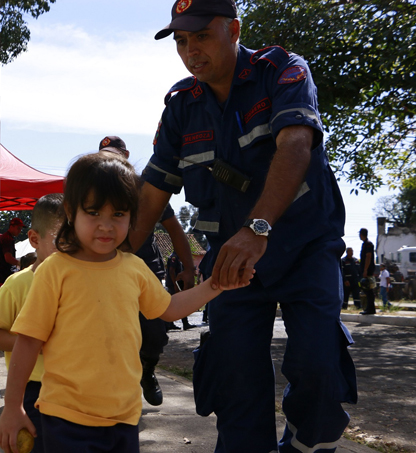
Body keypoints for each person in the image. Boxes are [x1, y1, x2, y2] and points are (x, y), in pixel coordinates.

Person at [130, 0, 358, 450]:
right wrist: (108, 263)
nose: (190, 50)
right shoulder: (180, 106)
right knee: (233, 375)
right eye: (181, 40)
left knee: (318, 363)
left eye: (201, 36)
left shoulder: (283, 72)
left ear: (234, 29)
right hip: (230, 264)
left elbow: (295, 146)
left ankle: (305, 442)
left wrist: (257, 229)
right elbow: (153, 193)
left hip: (304, 248)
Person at [0, 153, 250, 453]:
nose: (106, 225)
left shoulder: (133, 268)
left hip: (124, 417)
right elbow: (27, 341)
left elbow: (168, 308)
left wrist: (214, 285)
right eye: (93, 213)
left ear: (132, 214)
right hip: (67, 416)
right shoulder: (55, 270)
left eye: (118, 214)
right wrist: (13, 408)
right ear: (70, 211)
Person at [99, 135, 196, 406]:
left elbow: (175, 229)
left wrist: (188, 268)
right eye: (103, 154)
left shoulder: (146, 188)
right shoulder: (94, 187)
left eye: (114, 154)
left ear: (126, 155)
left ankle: (148, 370)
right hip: (105, 271)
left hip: (146, 271)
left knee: (154, 332)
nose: (109, 159)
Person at [0, 193, 64, 453]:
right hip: (34, 389)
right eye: (60, 241)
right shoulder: (17, 284)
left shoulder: (81, 283)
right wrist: (32, 343)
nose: (68, 249)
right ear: (34, 240)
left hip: (74, 387)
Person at [165, 252, 193, 330]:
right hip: (173, 283)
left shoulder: (178, 256)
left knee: (174, 302)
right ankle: (184, 323)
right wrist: (175, 284)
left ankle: (171, 323)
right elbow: (171, 271)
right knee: (180, 302)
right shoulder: (174, 257)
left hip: (175, 283)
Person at [0, 217, 26, 284]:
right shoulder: (7, 239)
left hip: (0, 274)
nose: (20, 231)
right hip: (4, 274)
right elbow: (8, 258)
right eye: (18, 228)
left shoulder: (6, 237)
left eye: (21, 229)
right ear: (11, 227)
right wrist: (22, 264)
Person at [359, 228, 377, 315]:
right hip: (366, 269)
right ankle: (370, 308)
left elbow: (368, 257)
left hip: (368, 270)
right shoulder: (365, 244)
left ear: (362, 234)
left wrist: (365, 270)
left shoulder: (368, 244)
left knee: (368, 289)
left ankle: (370, 309)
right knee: (367, 290)